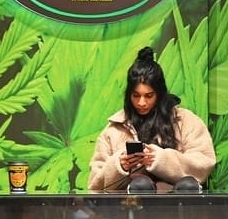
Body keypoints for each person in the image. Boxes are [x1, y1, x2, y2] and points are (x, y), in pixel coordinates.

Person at [88, 46, 216, 193]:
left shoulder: (185, 121)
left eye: (149, 96)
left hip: (179, 206)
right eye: (136, 95)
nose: (141, 102)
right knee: (140, 185)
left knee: (188, 185)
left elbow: (204, 165)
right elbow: (95, 184)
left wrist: (160, 159)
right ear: (128, 95)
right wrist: (119, 165)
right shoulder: (113, 130)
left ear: (159, 94)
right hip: (130, 208)